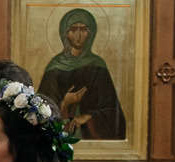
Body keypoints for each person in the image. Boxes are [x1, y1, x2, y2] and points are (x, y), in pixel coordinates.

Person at [37, 8, 126, 140]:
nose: (78, 35)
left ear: (90, 34)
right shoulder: (54, 67)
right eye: (73, 30)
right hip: (61, 137)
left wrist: (89, 116)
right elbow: (40, 110)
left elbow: (113, 111)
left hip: (91, 137)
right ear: (65, 34)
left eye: (83, 30)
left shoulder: (98, 66)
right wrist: (64, 103)